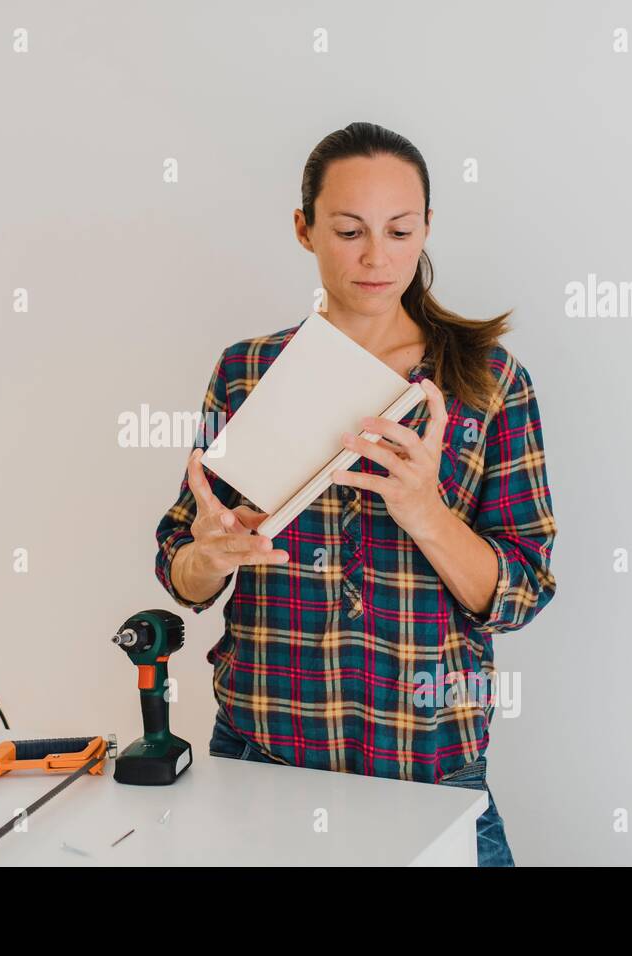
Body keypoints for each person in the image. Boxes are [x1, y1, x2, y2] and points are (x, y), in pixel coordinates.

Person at [153, 122, 557, 867]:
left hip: (430, 770)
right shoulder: (246, 371)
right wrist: (208, 557)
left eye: (400, 230)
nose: (377, 256)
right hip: (261, 758)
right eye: (349, 230)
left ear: (426, 229)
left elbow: (523, 591)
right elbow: (181, 566)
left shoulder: (491, 382)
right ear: (304, 230)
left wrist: (426, 514)